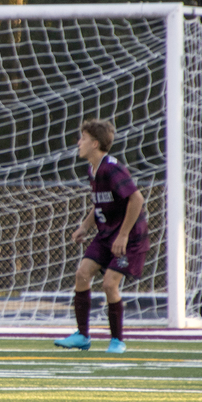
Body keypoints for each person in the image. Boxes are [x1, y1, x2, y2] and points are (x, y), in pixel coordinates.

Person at [54, 119, 148, 354]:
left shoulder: (112, 168)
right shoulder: (93, 169)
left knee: (109, 284)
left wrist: (124, 235)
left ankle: (117, 340)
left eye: (83, 138)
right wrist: (85, 226)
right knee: (82, 274)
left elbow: (137, 199)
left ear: (95, 144)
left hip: (129, 238)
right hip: (106, 234)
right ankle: (83, 335)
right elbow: (100, 201)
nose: (79, 143)